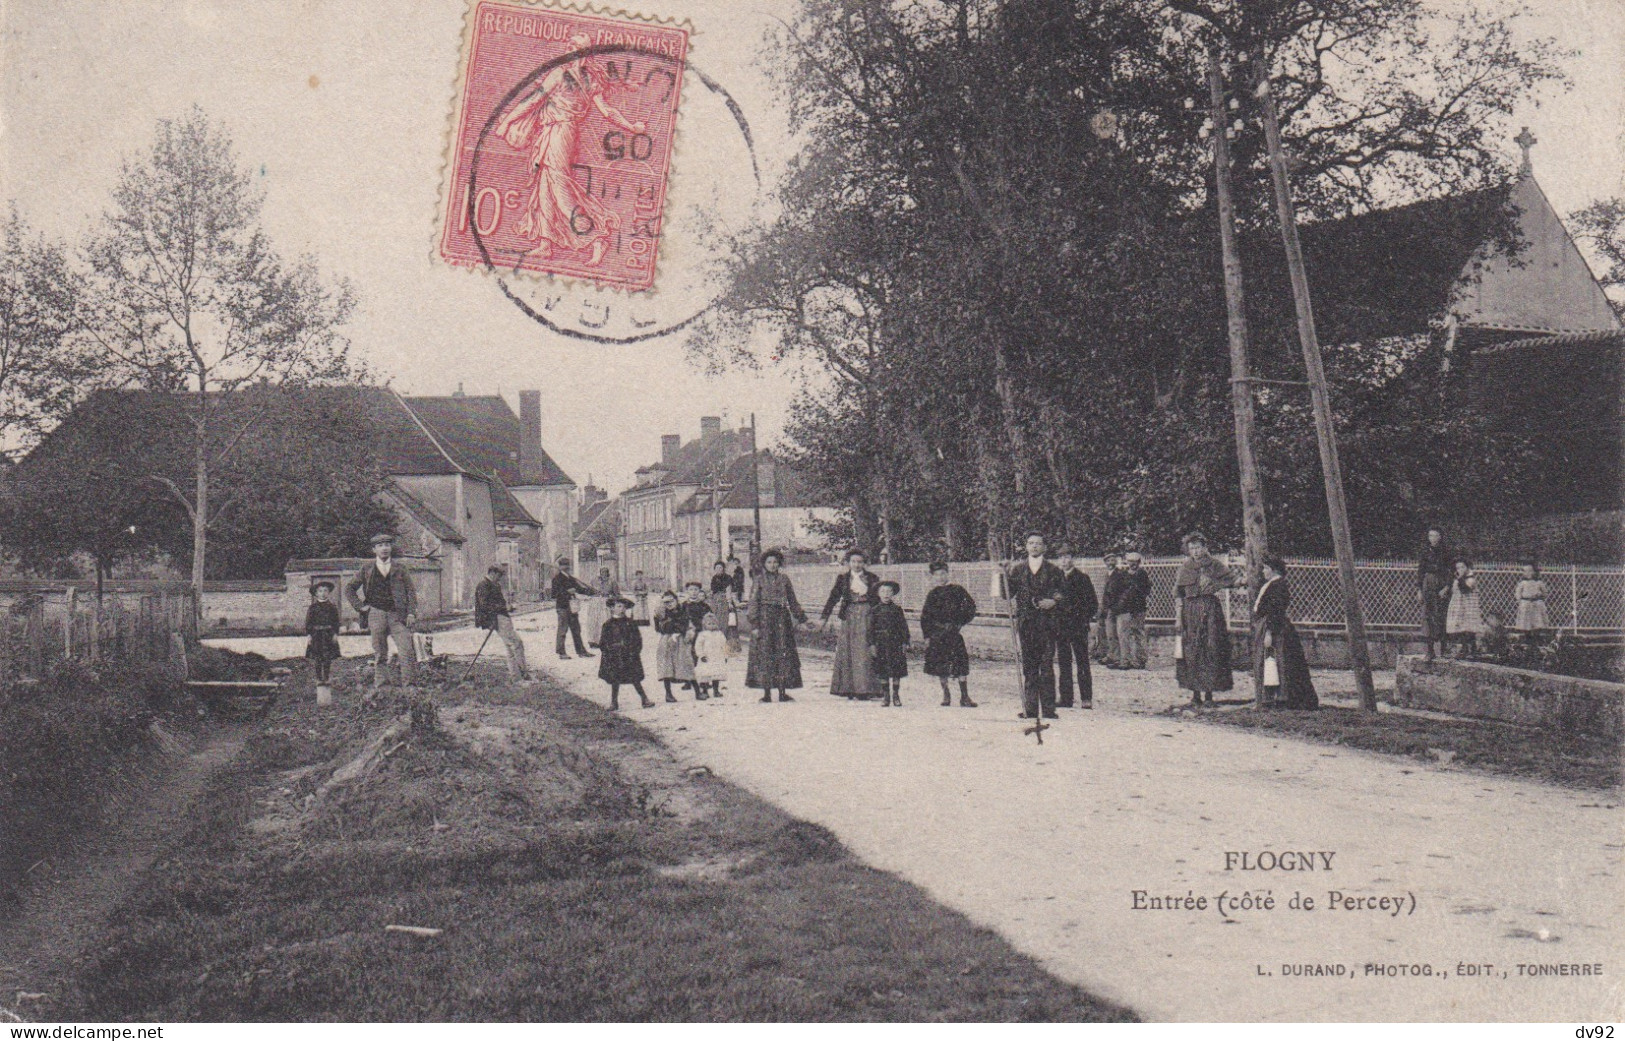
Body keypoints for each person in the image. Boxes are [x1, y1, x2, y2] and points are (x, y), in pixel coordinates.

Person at [494, 31, 645, 266]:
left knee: (559, 186)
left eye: (572, 46)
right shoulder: (588, 79)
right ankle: (545, 243)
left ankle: (596, 237)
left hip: (559, 132)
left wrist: (506, 121)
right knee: (545, 185)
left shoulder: (561, 75)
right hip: (559, 132)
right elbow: (608, 111)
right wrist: (631, 127)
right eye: (568, 45)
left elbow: (533, 100)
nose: (567, 49)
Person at [345, 533, 418, 694]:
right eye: (380, 545)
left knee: (406, 650)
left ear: (391, 548)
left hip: (398, 615)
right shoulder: (367, 569)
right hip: (376, 614)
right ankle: (382, 687)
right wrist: (361, 607)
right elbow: (349, 589)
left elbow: (411, 593)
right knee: (380, 652)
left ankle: (410, 686)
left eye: (387, 544)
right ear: (374, 550)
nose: (384, 548)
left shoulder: (400, 568)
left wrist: (411, 613)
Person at [1174, 532, 1239, 708]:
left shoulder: (1214, 564)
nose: (1195, 551)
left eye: (1198, 547)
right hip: (1190, 612)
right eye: (1192, 548)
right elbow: (1178, 594)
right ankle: (1195, 694)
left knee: (1211, 648)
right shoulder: (1185, 567)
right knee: (1192, 650)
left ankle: (1209, 693)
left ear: (1204, 547)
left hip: (1210, 610)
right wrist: (1178, 617)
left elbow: (1232, 580)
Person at [1006, 534, 1065, 720]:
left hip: (1047, 624)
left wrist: (1053, 602)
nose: (1034, 547)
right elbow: (1005, 594)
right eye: (1031, 543)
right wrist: (1002, 574)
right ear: (1026, 546)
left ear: (1044, 547)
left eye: (1038, 543)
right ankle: (1030, 709)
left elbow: (1064, 594)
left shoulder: (1054, 570)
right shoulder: (1017, 570)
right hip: (1026, 624)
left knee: (1046, 666)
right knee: (1029, 666)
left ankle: (1048, 709)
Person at [1252, 555, 1318, 710]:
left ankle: (1279, 697)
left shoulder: (1278, 586)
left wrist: (1268, 632)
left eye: (1266, 568)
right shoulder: (1273, 584)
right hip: (1270, 625)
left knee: (1276, 661)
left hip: (1274, 628)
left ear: (1273, 570)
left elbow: (1275, 611)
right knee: (1270, 661)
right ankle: (1271, 697)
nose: (1263, 571)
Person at [744, 548, 807, 704]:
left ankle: (782, 692)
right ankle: (766, 694)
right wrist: (755, 624)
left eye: (775, 562)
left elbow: (792, 601)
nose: (772, 565)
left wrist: (803, 618)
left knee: (783, 654)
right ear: (764, 564)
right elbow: (753, 602)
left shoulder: (784, 579)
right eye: (769, 562)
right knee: (766, 655)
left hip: (781, 619)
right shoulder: (759, 580)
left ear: (779, 564)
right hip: (765, 619)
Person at [821, 549, 884, 699]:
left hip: (866, 614)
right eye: (853, 561)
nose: (857, 564)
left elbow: (879, 597)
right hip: (849, 616)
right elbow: (833, 597)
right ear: (848, 563)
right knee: (848, 650)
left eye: (860, 562)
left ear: (865, 563)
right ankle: (848, 688)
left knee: (864, 650)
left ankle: (865, 689)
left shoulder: (872, 578)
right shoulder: (843, 578)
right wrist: (824, 617)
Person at [920, 561, 978, 708]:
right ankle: (946, 694)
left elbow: (970, 607)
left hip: (953, 633)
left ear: (948, 574)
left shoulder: (958, 590)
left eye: (943, 573)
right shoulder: (932, 595)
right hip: (938, 635)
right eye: (937, 574)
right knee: (941, 665)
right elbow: (925, 617)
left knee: (961, 664)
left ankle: (965, 696)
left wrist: (959, 623)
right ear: (933, 577)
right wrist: (927, 636)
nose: (940, 577)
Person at [1054, 545, 1097, 709]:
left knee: (1082, 662)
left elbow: (1092, 604)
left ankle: (1086, 698)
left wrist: (1082, 618)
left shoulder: (1082, 578)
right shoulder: (1055, 578)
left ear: (1073, 559)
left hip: (1078, 627)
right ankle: (1066, 698)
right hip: (1061, 627)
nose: (1064, 560)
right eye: (1061, 557)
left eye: (1067, 557)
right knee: (1064, 663)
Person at [474, 564, 530, 681]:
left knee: (510, 648)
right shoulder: (483, 585)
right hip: (496, 618)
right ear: (492, 573)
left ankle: (516, 677)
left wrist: (507, 607)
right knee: (517, 643)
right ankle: (523, 673)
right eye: (498, 576)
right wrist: (503, 608)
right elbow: (484, 605)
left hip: (502, 617)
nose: (499, 579)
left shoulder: (495, 585)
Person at [598, 597, 652, 710]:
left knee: (634, 678)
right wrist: (610, 651)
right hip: (614, 656)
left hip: (629, 655)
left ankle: (644, 699)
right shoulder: (608, 624)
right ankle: (614, 702)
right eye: (619, 606)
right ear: (612, 608)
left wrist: (634, 651)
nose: (622, 609)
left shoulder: (630, 623)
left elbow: (638, 639)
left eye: (624, 607)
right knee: (615, 680)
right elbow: (603, 642)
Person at [870, 580, 911, 707]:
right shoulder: (875, 610)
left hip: (895, 643)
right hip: (881, 643)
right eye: (883, 591)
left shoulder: (897, 609)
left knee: (896, 670)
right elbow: (870, 629)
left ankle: (896, 695)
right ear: (878, 593)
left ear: (893, 593)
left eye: (889, 591)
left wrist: (905, 642)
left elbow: (903, 627)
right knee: (883, 670)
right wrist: (872, 644)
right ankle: (886, 696)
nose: (886, 594)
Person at [550, 558, 597, 659]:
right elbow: (553, 594)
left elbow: (579, 589)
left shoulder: (571, 578)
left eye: (567, 565)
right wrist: (567, 592)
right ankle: (561, 653)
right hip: (562, 607)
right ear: (560, 566)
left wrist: (591, 592)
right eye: (564, 565)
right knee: (563, 630)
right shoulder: (556, 579)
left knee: (576, 630)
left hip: (573, 607)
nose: (566, 567)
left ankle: (581, 652)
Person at [1417, 528, 1452, 661]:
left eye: (1436, 535)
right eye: (1430, 535)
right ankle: (1430, 651)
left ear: (1440, 537)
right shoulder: (1425, 552)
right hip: (1428, 585)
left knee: (1442, 615)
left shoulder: (1446, 552)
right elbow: (1420, 571)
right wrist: (1419, 590)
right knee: (1428, 616)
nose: (1433, 538)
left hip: (1442, 584)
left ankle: (1444, 649)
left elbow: (1451, 571)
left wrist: (1447, 587)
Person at [305, 581, 341, 702]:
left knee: (327, 657)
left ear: (329, 593)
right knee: (317, 657)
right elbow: (308, 622)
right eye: (320, 591)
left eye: (325, 591)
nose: (323, 593)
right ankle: (319, 678)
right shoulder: (313, 608)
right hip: (316, 635)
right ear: (316, 594)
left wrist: (335, 633)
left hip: (328, 635)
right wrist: (309, 634)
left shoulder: (332, 607)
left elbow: (336, 621)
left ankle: (326, 677)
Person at [1115, 552, 1152, 669]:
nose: (1132, 564)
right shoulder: (1122, 575)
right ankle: (1125, 660)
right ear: (1127, 562)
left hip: (1138, 608)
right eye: (1130, 561)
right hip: (1125, 609)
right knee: (1123, 634)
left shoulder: (1142, 574)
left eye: (1135, 561)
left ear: (1139, 562)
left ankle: (1140, 660)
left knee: (1138, 633)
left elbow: (1146, 591)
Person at [652, 591, 689, 702]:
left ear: (676, 600)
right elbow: (658, 629)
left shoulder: (683, 611)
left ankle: (698, 688)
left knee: (686, 663)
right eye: (666, 602)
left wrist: (676, 629)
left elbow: (685, 625)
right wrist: (657, 618)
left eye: (671, 601)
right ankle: (668, 694)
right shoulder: (662, 613)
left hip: (680, 639)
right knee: (666, 666)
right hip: (667, 639)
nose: (669, 604)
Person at [680, 581, 715, 698]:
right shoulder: (684, 605)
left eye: (696, 590)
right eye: (691, 589)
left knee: (702, 658)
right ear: (687, 591)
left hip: (701, 635)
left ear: (699, 591)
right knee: (688, 658)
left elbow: (710, 620)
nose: (693, 592)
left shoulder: (704, 606)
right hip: (688, 635)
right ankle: (688, 680)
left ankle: (704, 684)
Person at [1444, 560, 1484, 658]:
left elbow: (1465, 589)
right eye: (1458, 568)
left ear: (1467, 567)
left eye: (1462, 567)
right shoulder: (1457, 579)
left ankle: (1473, 649)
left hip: (1469, 606)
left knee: (1469, 627)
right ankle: (1464, 648)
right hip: (1459, 605)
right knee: (1461, 627)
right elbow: (1455, 591)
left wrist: (1459, 578)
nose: (1460, 570)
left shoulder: (1470, 579)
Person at [692, 611, 730, 700]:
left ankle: (716, 691)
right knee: (705, 674)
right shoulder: (702, 634)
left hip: (717, 657)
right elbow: (698, 646)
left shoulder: (720, 634)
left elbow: (724, 645)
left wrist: (725, 656)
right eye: (709, 623)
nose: (711, 625)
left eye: (713, 623)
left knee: (716, 674)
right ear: (704, 625)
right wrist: (701, 655)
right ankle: (705, 691)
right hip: (707, 658)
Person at [1095, 553, 1123, 666]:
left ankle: (1115, 657)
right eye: (1108, 561)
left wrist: (1114, 606)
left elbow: (1118, 592)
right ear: (1105, 562)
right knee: (1105, 632)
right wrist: (1102, 607)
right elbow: (1105, 593)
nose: (1111, 562)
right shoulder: (1107, 574)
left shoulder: (1119, 574)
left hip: (1113, 607)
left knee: (1112, 633)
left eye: (1113, 560)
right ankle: (1108, 654)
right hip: (1106, 606)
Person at [1513, 562, 1551, 643]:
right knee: (1526, 622)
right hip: (1526, 603)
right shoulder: (1523, 583)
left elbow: (1545, 593)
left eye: (1530, 571)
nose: (1528, 573)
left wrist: (1539, 598)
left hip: (1536, 604)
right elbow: (1518, 593)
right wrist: (1521, 601)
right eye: (1525, 571)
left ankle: (1536, 637)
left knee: (1537, 621)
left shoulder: (1539, 583)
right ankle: (1527, 637)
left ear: (1534, 572)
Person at [708, 560, 739, 654]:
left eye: (720, 568)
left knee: (726, 623)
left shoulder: (727, 578)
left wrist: (729, 602)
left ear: (723, 569)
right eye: (717, 568)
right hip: (716, 602)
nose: (719, 569)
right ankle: (718, 644)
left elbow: (729, 590)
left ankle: (728, 646)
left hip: (725, 601)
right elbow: (713, 591)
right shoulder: (714, 578)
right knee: (716, 622)